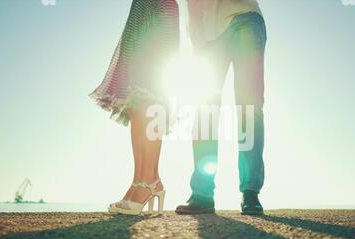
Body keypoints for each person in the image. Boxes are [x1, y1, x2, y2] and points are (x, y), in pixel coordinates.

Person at [176, 0, 267, 215]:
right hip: (206, 32)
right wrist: (197, 38)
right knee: (205, 109)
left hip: (244, 15)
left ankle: (250, 191)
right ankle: (202, 193)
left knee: (249, 105)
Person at [89, 0, 179, 215]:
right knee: (136, 102)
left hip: (157, 7)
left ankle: (147, 181)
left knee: (149, 96)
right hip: (142, 9)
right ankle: (142, 180)